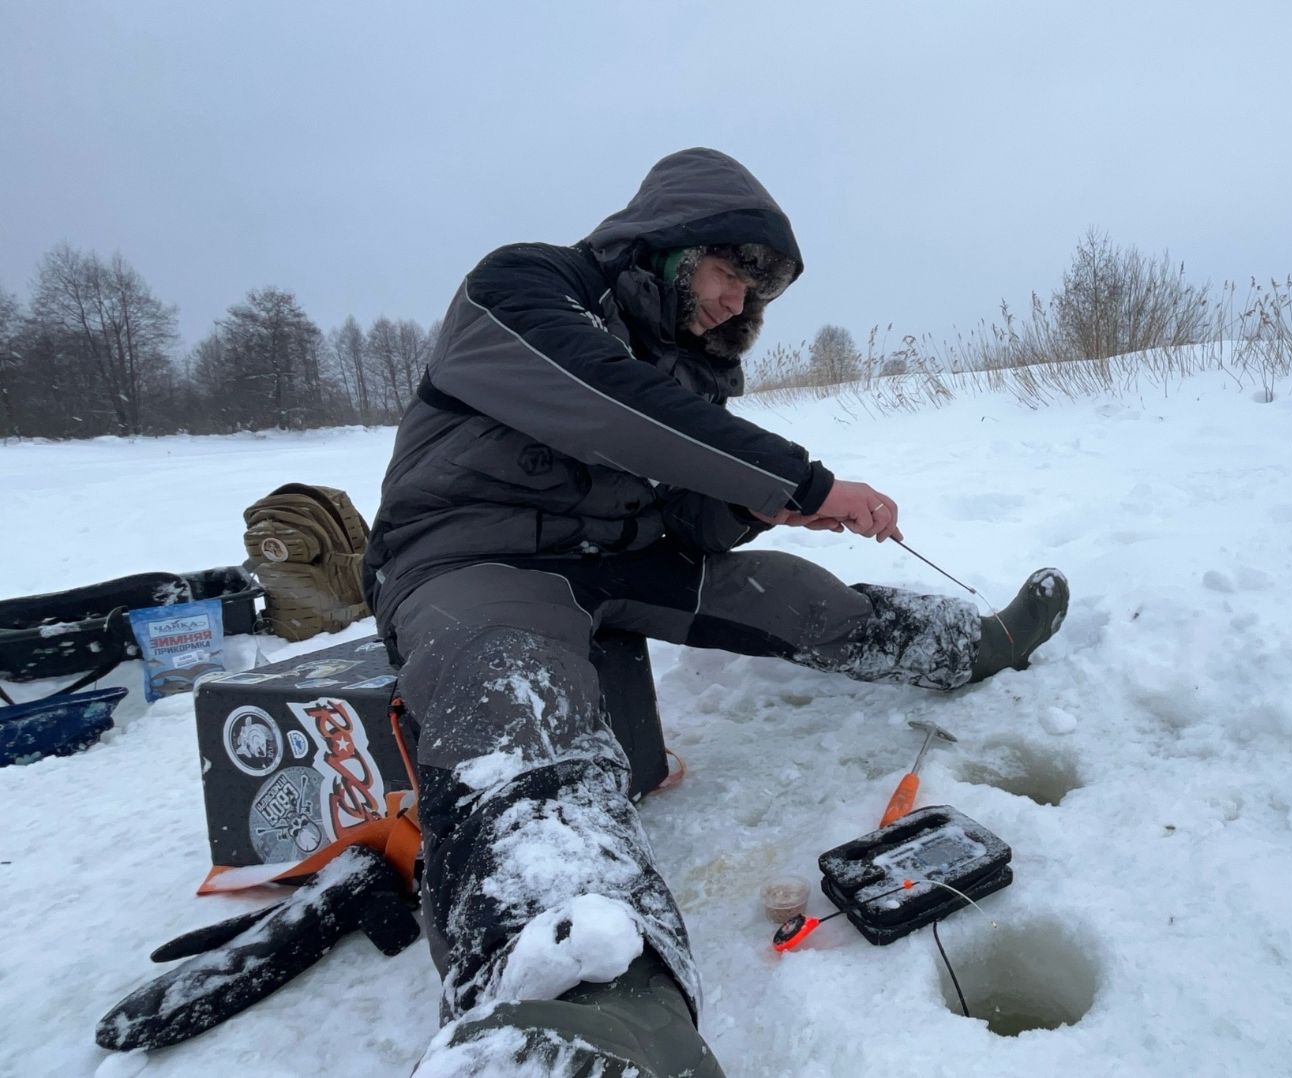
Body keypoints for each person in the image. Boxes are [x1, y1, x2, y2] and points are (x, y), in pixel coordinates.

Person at [362, 147, 1069, 1076]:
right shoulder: (525, 285)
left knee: (790, 591)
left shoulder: (696, 372)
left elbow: (696, 518)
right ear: (667, 244)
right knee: (513, 694)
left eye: (756, 293)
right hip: (469, 554)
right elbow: (606, 402)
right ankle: (594, 1008)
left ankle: (970, 645)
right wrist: (802, 478)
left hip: (611, 565)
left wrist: (758, 505)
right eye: (731, 273)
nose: (741, 304)